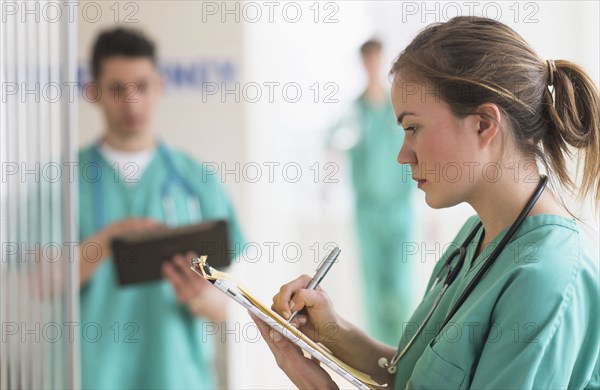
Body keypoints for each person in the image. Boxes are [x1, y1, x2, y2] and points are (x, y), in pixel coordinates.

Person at [252, 16, 599, 389]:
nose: (403, 156)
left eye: (413, 128)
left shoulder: (547, 275)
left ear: (483, 124)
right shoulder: (475, 237)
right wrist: (333, 333)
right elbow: (411, 375)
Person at [77, 28, 245, 389]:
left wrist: (202, 298)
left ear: (160, 85)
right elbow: (37, 286)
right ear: (94, 92)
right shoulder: (62, 182)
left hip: (178, 376)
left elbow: (226, 305)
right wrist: (105, 243)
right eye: (117, 89)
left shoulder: (197, 179)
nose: (132, 102)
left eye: (141, 86)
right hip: (95, 376)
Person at [328, 39, 416, 345]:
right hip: (367, 210)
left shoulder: (400, 109)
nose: (372, 65)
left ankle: (403, 351)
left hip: (400, 210)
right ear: (362, 63)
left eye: (377, 59)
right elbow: (334, 144)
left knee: (402, 286)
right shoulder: (354, 110)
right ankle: (378, 353)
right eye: (367, 60)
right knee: (373, 288)